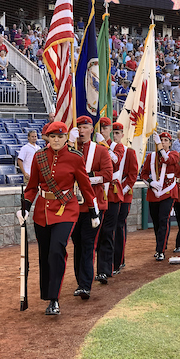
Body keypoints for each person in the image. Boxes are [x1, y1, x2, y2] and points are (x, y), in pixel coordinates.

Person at [17, 121, 100, 316]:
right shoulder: (39, 157)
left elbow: (86, 186)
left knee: (56, 249)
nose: (56, 140)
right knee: (45, 254)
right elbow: (31, 187)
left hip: (67, 209)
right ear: (47, 137)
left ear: (66, 138)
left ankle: (54, 299)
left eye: (60, 136)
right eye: (52, 136)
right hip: (42, 212)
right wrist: (25, 207)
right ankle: (48, 295)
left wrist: (93, 211)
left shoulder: (75, 158)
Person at [70, 116, 113, 299]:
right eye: (79, 126)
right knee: (77, 244)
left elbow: (108, 174)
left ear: (91, 130)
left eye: (85, 126)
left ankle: (85, 285)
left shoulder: (100, 151)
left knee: (88, 244)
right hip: (73, 205)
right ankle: (80, 279)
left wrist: (87, 178)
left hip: (93, 203)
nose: (81, 130)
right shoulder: (70, 150)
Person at [94, 116, 124, 283]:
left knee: (108, 232)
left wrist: (104, 145)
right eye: (100, 128)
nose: (102, 131)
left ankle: (105, 269)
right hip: (97, 193)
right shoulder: (93, 148)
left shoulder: (116, 147)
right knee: (95, 233)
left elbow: (116, 161)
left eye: (105, 128)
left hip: (111, 193)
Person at [140, 131, 179, 261]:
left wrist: (160, 147)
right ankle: (161, 244)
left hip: (168, 192)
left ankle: (160, 250)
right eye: (161, 140)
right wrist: (151, 183)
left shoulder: (174, 154)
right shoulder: (151, 157)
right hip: (154, 193)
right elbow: (143, 174)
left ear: (170, 143)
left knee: (163, 220)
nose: (163, 142)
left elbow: (168, 160)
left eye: (165, 141)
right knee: (156, 222)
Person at [112, 122, 138, 273]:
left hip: (124, 195)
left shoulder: (129, 152)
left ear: (122, 135)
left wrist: (122, 190)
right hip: (108, 195)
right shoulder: (105, 150)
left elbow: (133, 175)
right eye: (113, 133)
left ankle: (119, 261)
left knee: (119, 226)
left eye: (117, 133)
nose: (115, 136)